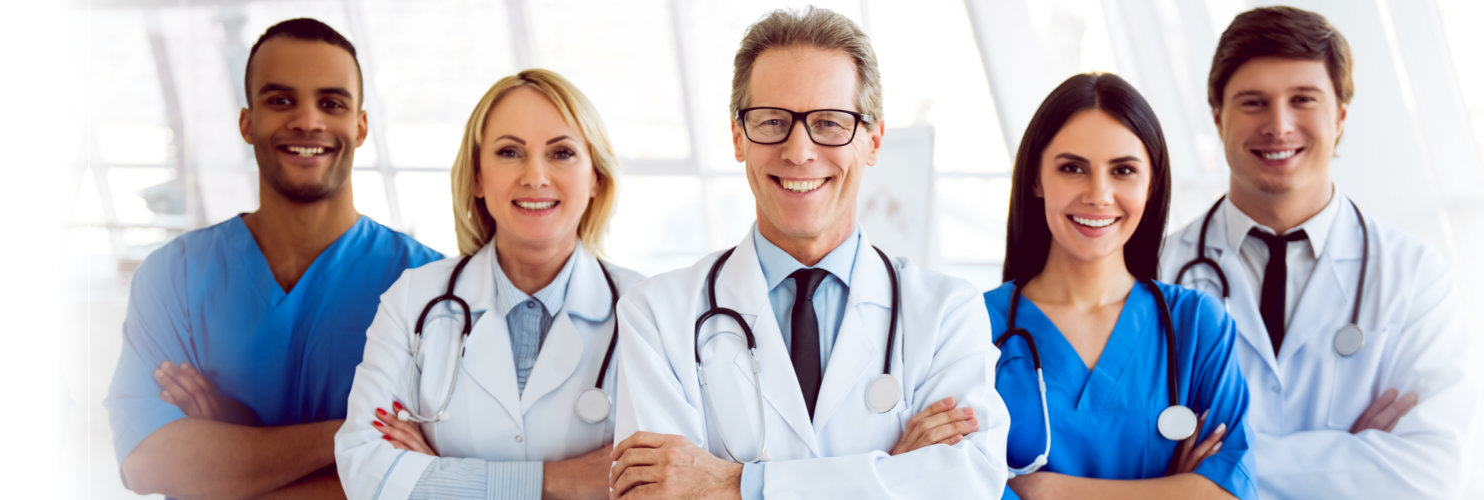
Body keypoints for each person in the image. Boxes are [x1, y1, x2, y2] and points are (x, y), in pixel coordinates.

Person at [607, 6, 1009, 499]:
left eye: (829, 122)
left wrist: (734, 484)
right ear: (738, 137)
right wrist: (893, 474)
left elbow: (966, 486)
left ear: (873, 139)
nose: (799, 151)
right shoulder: (658, 316)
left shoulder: (946, 313)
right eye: (772, 121)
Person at [104, 18, 442, 499]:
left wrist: (226, 453)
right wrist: (356, 434)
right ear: (247, 122)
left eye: (331, 103)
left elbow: (429, 478)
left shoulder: (432, 287)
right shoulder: (174, 276)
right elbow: (148, 463)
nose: (308, 121)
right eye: (280, 101)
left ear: (361, 125)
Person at [1158, 6, 1476, 498]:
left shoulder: (1415, 276)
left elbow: (1429, 474)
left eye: (1302, 99)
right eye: (1252, 103)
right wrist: (1349, 459)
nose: (1279, 125)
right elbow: (1130, 457)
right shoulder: (1157, 272)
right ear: (1218, 117)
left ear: (1341, 116)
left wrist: (1208, 473)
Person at [333, 68, 642, 500]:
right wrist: (559, 481)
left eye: (562, 153)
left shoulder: (646, 312)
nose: (535, 176)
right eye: (510, 152)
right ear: (477, 176)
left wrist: (435, 473)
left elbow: (655, 485)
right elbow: (367, 472)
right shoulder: (413, 301)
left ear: (596, 178)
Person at [989, 73, 1254, 500]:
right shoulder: (975, 326)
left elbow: (1230, 493)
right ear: (1036, 179)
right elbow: (956, 485)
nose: (1099, 194)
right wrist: (1173, 490)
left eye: (1124, 170)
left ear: (1151, 184)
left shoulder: (1197, 326)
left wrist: (1044, 490)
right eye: (1073, 168)